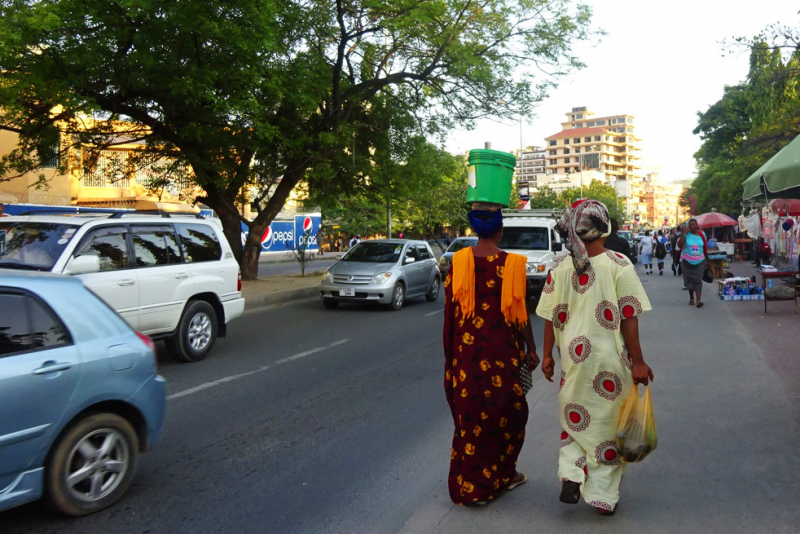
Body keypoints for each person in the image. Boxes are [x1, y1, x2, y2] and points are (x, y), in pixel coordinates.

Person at [536, 199, 654, 516]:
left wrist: (547, 355)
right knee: (607, 424)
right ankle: (602, 497)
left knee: (574, 418)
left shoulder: (559, 268)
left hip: (573, 361)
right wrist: (639, 362)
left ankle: (573, 473)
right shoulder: (619, 265)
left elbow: (549, 315)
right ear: (604, 228)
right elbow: (629, 316)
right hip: (610, 362)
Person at [443, 203, 539, 506]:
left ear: (473, 230)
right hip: (503, 356)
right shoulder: (513, 264)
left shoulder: (458, 262)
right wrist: (533, 349)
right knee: (509, 415)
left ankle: (472, 485)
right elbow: (520, 313)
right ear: (500, 230)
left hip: (465, 356)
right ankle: (503, 475)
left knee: (470, 418)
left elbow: (450, 314)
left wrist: (451, 357)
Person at [677, 218, 709, 308]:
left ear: (697, 225)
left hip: (700, 261)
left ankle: (698, 300)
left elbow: (704, 247)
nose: (692, 226)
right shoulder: (686, 234)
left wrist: (707, 259)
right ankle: (691, 298)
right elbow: (680, 245)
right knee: (689, 280)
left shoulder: (702, 234)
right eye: (690, 225)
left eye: (694, 224)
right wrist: (683, 234)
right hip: (687, 261)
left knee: (698, 280)